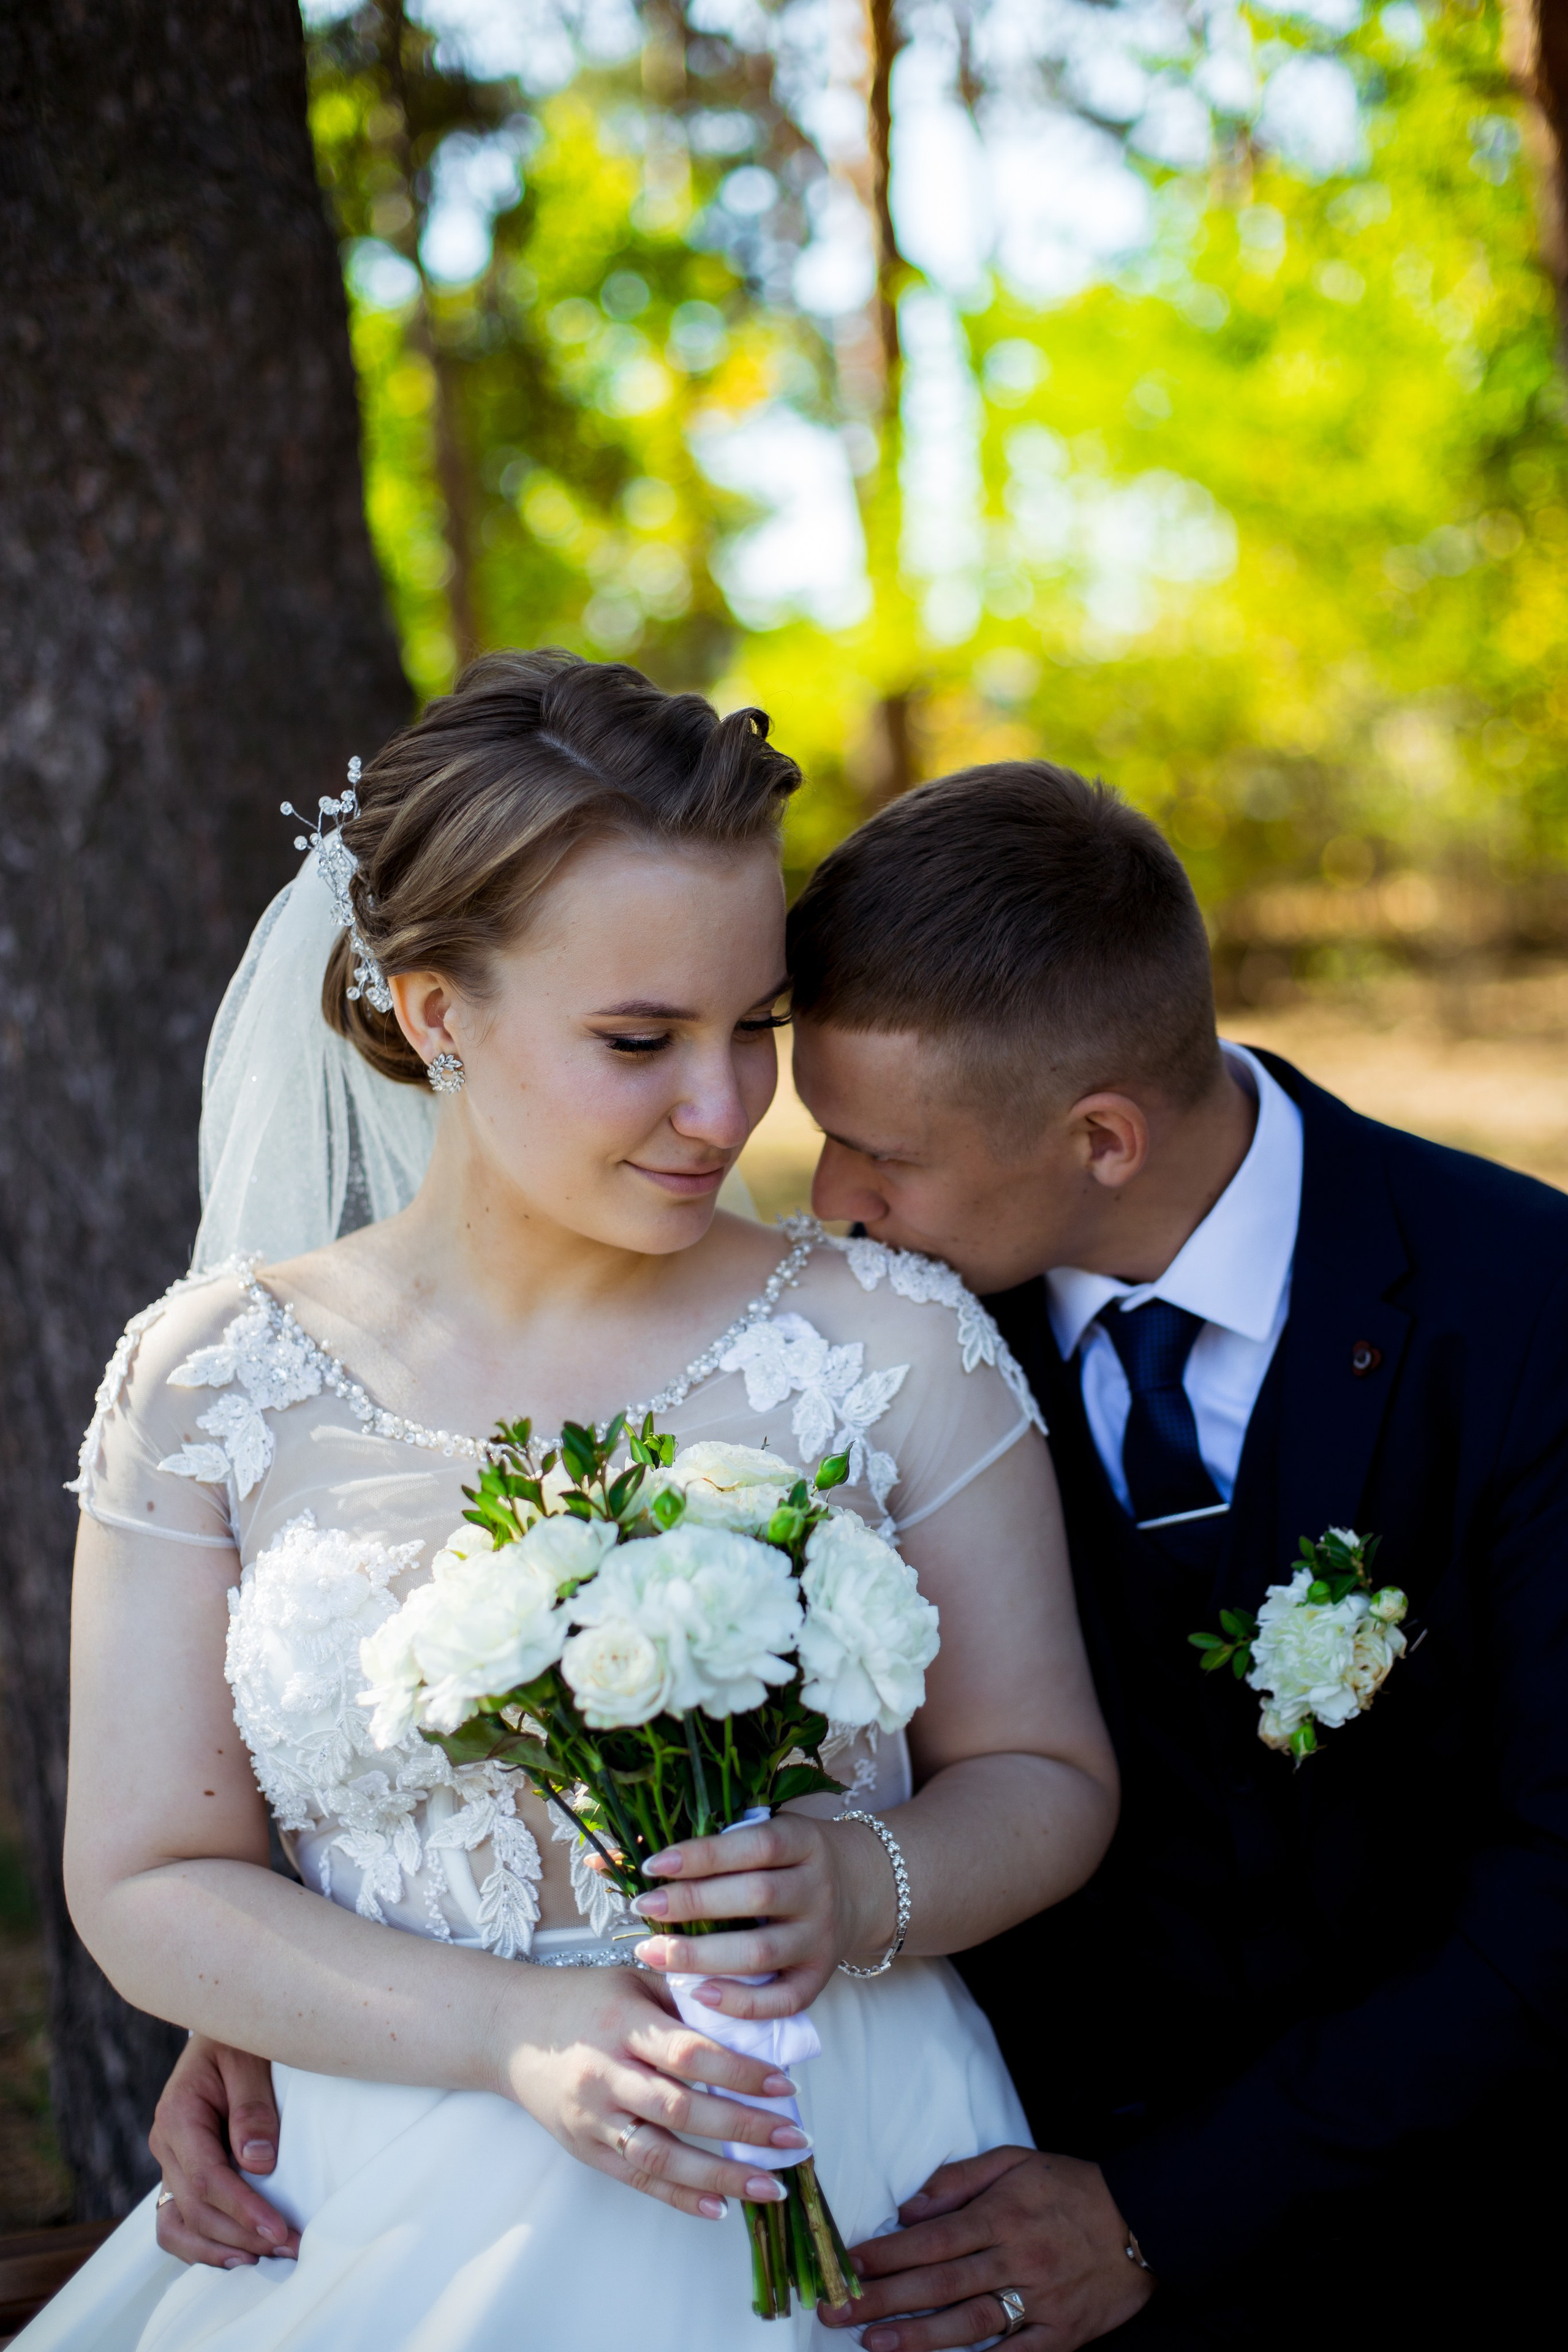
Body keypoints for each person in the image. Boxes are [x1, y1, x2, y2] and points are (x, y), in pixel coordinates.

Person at [28, 662, 1118, 2352]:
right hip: (380, 2195)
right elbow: (151, 1874)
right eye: (638, 1041)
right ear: (434, 1010)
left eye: (750, 1027)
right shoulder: (211, 1383)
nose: (724, 1109)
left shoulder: (888, 1340)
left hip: (845, 2160)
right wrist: (510, 2032)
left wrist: (862, 1883)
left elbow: (1047, 1777)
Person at [782, 764, 1568, 2350]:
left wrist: (1161, 2215)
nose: (830, 1204)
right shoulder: (855, 1341)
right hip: (978, 2216)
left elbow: (1562, 1878)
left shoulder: (1527, 1307)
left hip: (1469, 2229)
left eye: (884, 1156)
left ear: (1104, 1140)